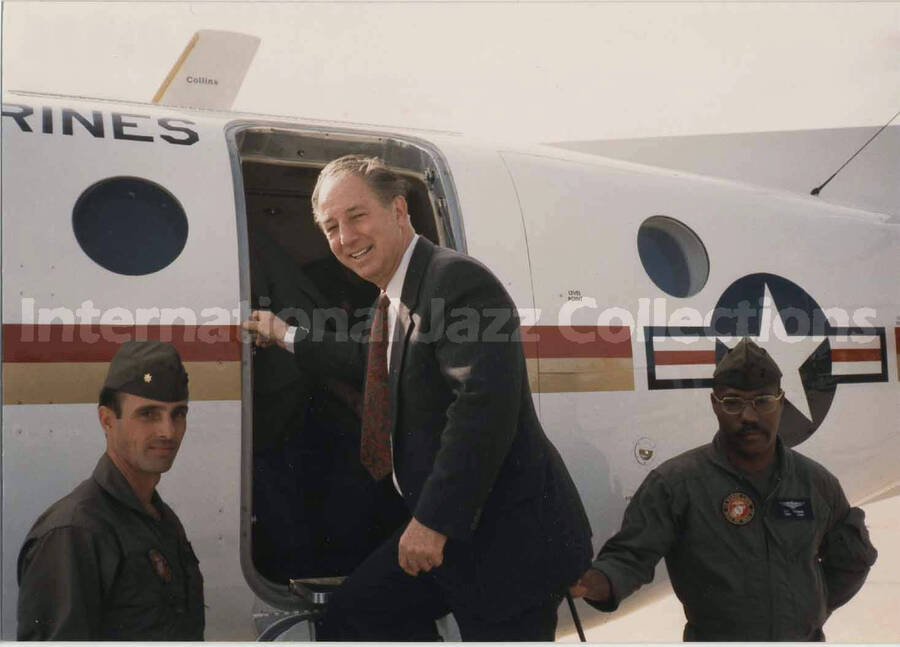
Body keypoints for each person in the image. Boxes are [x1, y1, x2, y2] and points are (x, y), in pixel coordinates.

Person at [244, 154, 593, 641]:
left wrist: (432, 522)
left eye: (357, 216)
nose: (345, 238)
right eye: (330, 226)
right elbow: (367, 363)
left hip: (505, 540)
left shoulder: (456, 282)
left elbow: (481, 409)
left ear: (400, 211)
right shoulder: (395, 295)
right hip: (456, 531)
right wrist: (288, 336)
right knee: (357, 613)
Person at [570, 337, 877, 641]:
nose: (749, 416)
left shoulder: (816, 484)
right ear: (715, 405)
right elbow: (630, 555)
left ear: (780, 403)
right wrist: (600, 581)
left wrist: (810, 607)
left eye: (763, 402)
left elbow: (853, 558)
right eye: (733, 403)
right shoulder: (676, 484)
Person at [17, 341, 204, 640]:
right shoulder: (75, 532)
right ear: (107, 420)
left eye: (178, 414)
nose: (168, 431)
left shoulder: (161, 519)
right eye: (148, 414)